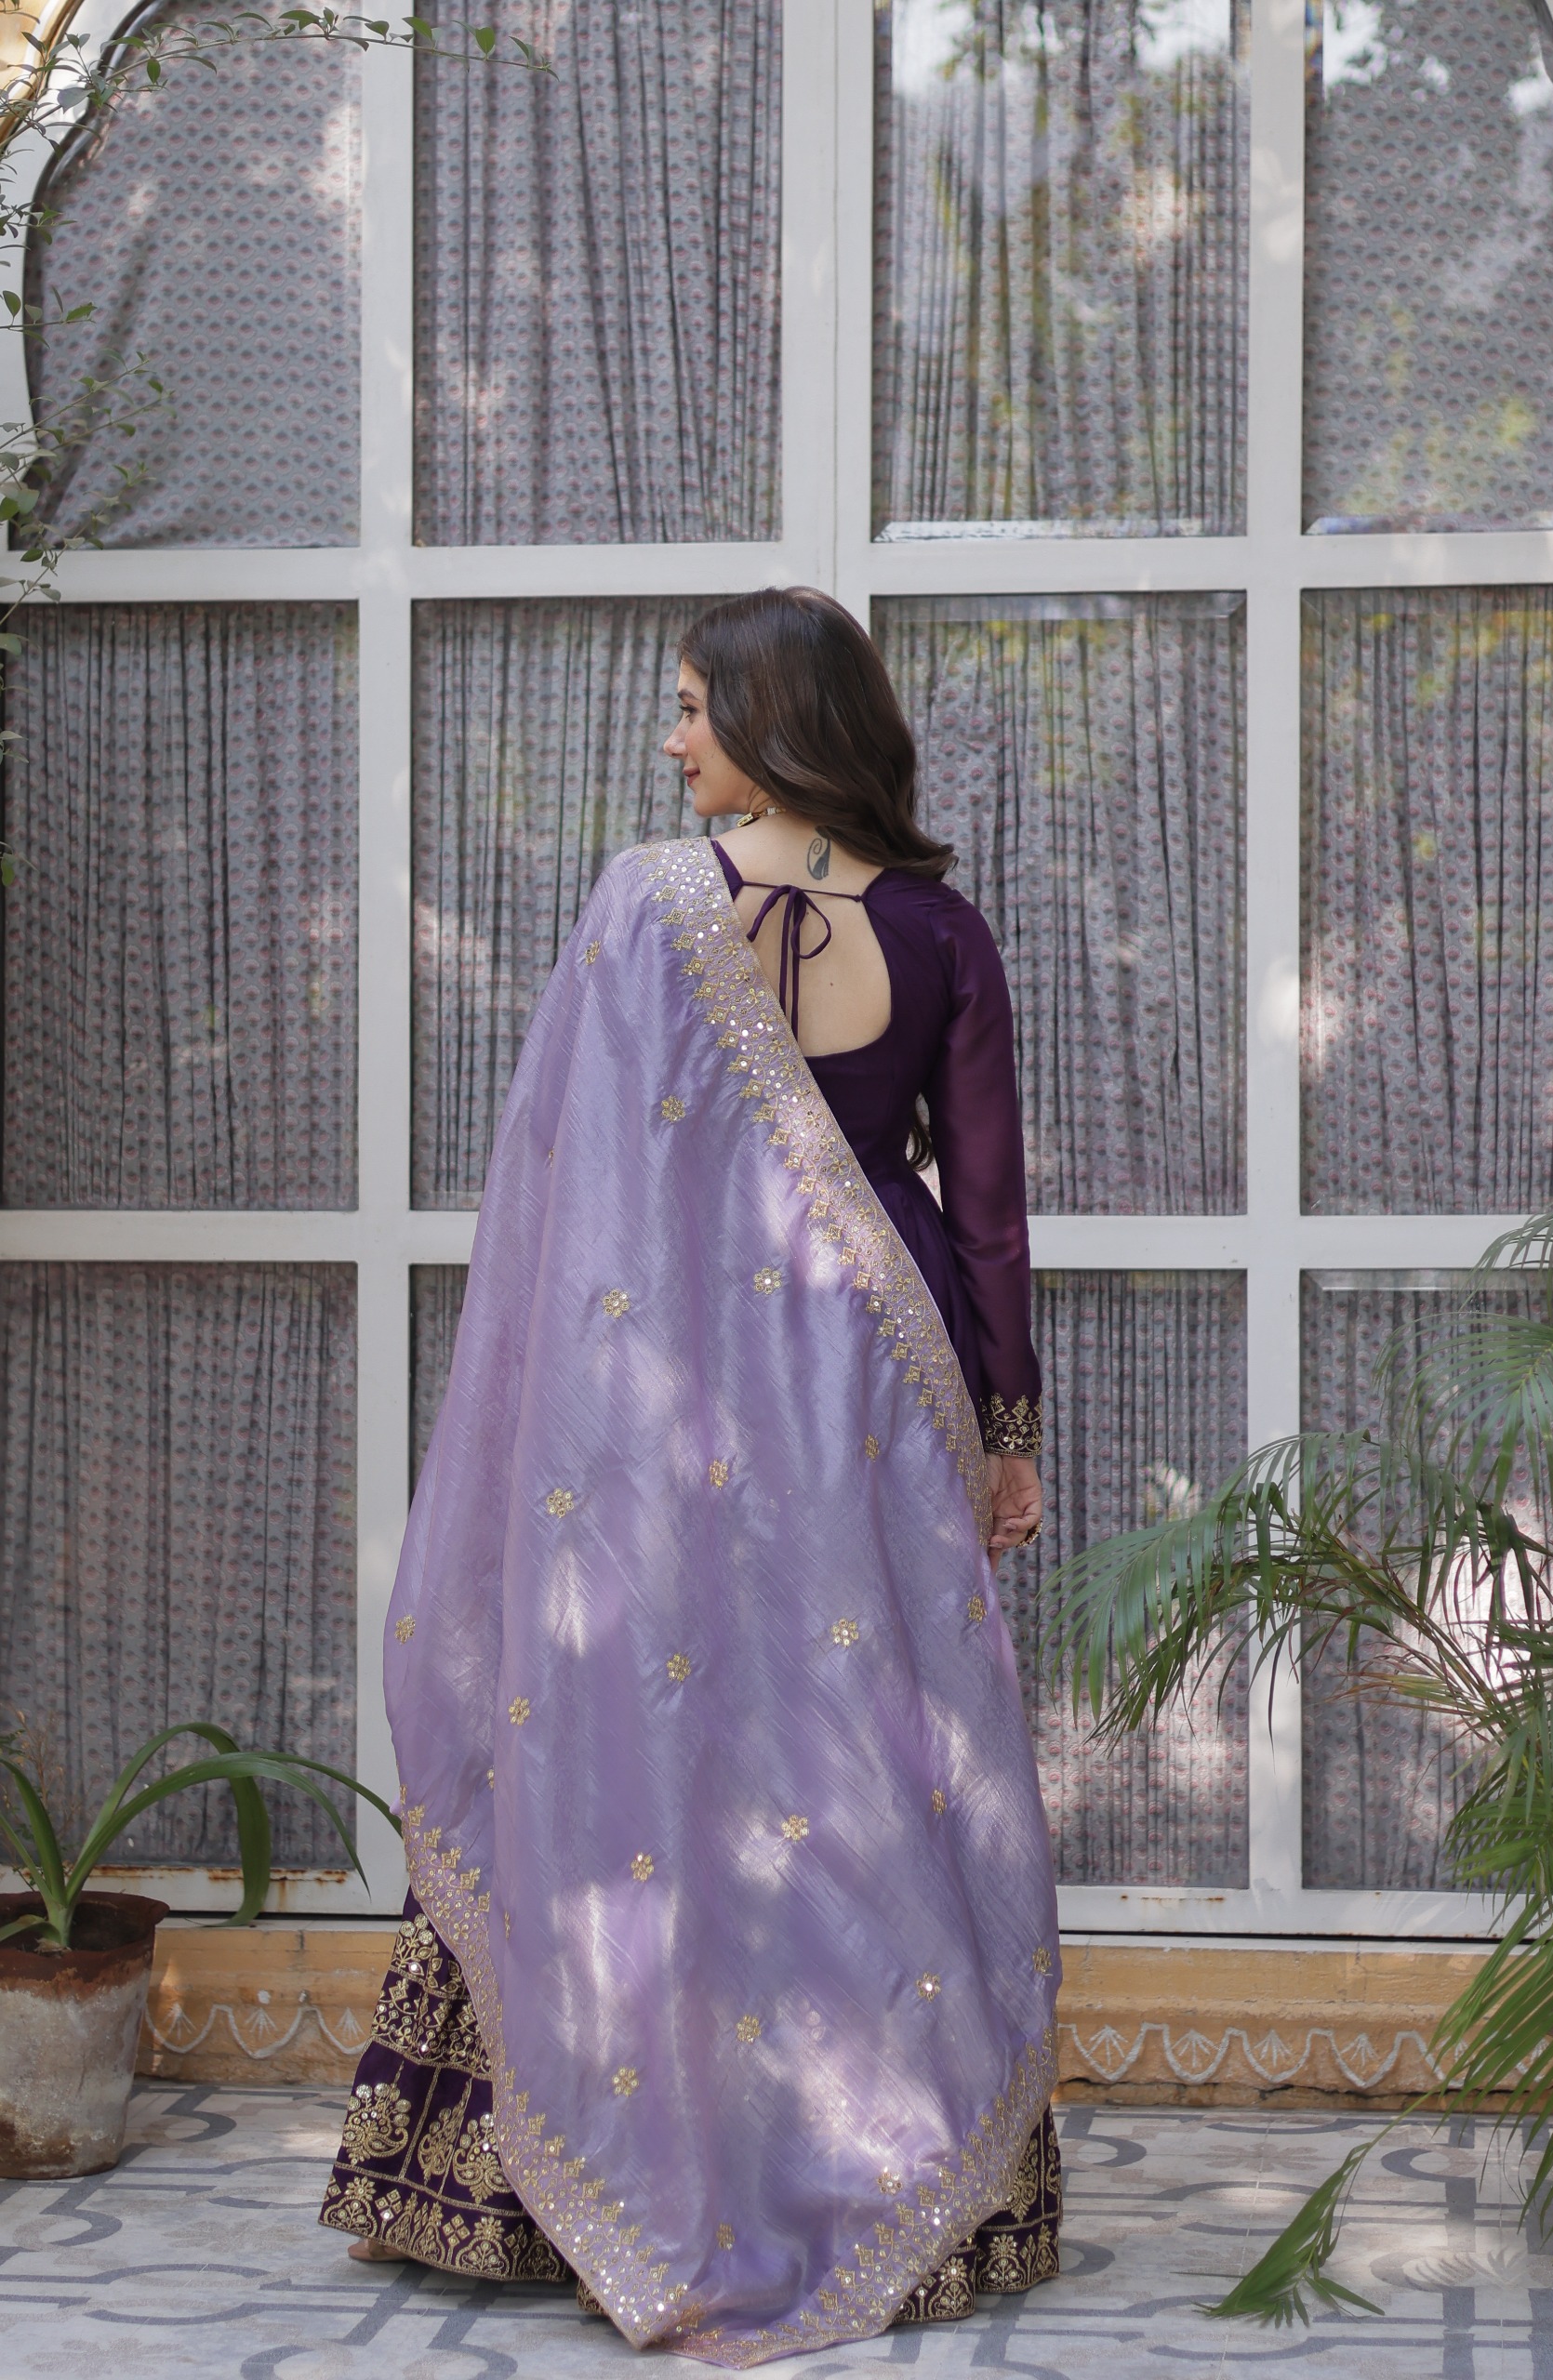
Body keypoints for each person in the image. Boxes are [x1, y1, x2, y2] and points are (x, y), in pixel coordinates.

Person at [320, 588, 1062, 2363]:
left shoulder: (646, 906)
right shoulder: (942, 931)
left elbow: (568, 1194)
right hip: (875, 1387)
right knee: (861, 1752)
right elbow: (985, 1209)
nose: (671, 744)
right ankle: (894, 2168)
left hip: (667, 1399)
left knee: (659, 1734)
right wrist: (1007, 1431)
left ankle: (596, 2169)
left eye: (690, 709)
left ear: (768, 720)